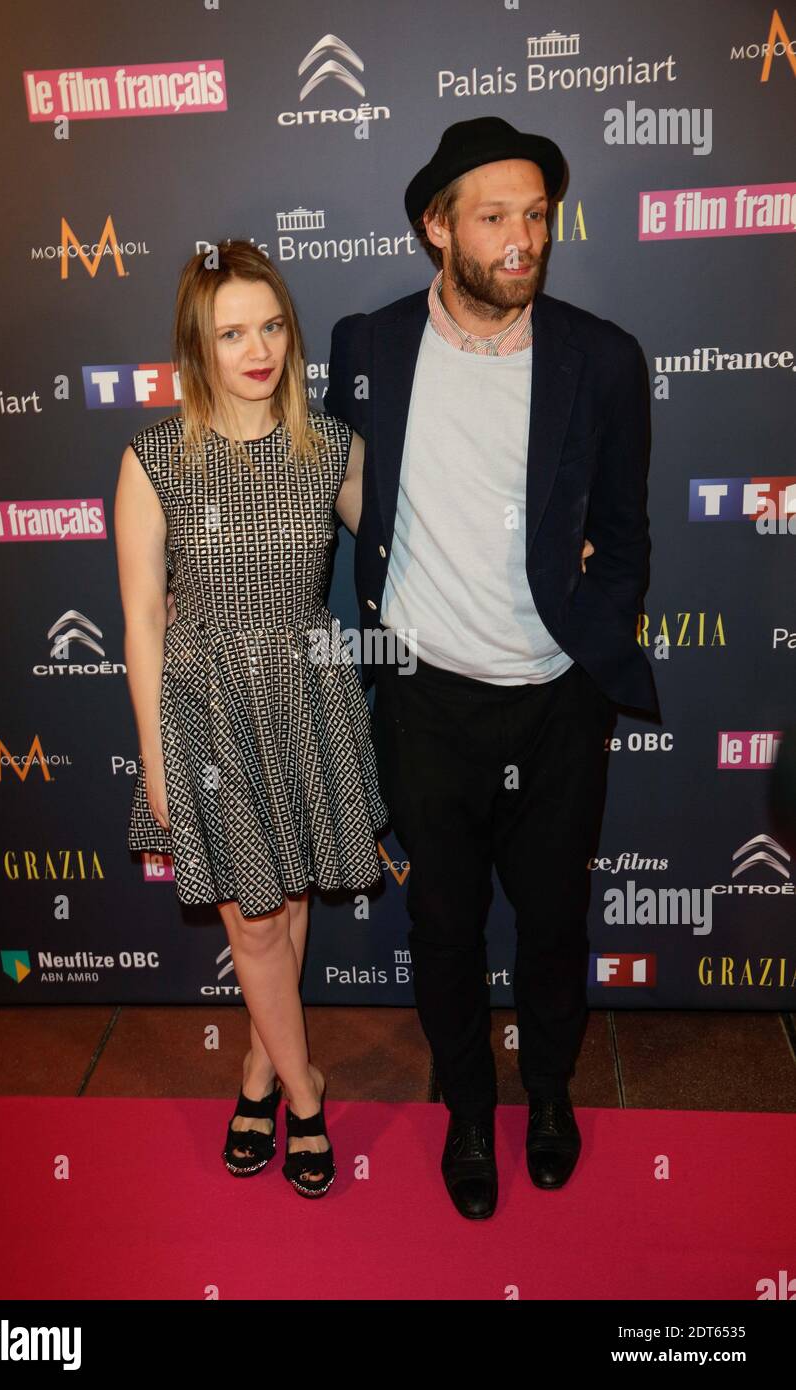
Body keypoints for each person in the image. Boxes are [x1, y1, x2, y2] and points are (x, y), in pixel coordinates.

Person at [323, 116, 659, 1220]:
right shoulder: (367, 347)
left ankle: (548, 1096)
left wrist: (588, 634)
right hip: (425, 704)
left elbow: (624, 536)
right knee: (444, 928)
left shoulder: (601, 357)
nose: (522, 240)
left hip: (556, 705)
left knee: (555, 922)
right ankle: (469, 1108)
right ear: (435, 227)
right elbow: (327, 492)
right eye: (494, 218)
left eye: (535, 216)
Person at [115, 240, 389, 1198]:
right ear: (199, 344)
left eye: (270, 325)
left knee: (293, 897)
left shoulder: (331, 446)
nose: (257, 348)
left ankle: (258, 1069)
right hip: (209, 708)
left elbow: (412, 539)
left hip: (306, 690)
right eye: (232, 332)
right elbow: (143, 616)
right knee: (257, 919)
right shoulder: (154, 456)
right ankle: (307, 1094)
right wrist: (155, 752)